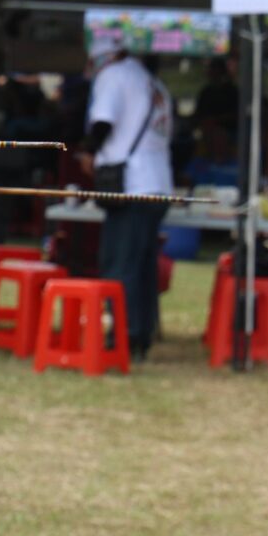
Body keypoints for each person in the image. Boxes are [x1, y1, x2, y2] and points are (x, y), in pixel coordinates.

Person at [85, 37, 176, 362]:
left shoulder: (114, 75)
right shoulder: (151, 80)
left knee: (120, 264)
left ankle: (122, 336)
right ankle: (139, 335)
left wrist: (88, 152)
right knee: (142, 266)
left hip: (132, 183)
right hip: (157, 182)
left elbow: (102, 123)